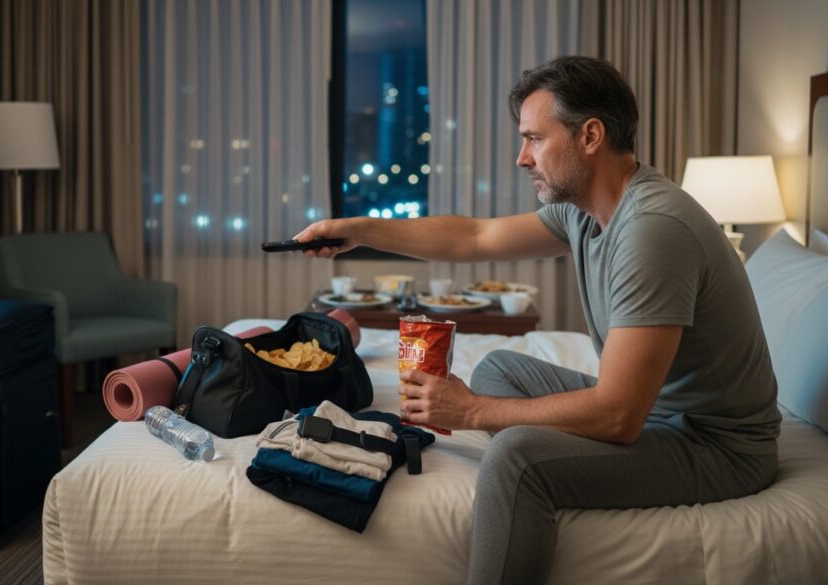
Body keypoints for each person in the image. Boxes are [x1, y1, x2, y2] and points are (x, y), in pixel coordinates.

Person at [293, 55, 780, 585]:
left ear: (590, 135)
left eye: (534, 139)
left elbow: (619, 415)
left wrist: (474, 412)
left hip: (716, 446)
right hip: (662, 408)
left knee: (517, 457)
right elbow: (474, 238)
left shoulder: (653, 231)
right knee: (500, 366)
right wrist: (361, 230)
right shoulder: (587, 208)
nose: (522, 157)